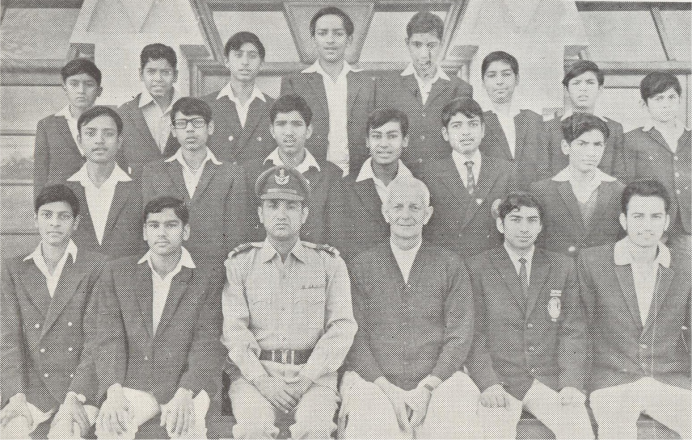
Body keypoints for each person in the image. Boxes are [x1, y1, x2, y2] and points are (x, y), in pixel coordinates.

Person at [341, 176, 481, 439]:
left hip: (439, 381)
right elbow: (354, 339)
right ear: (385, 212)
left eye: (415, 207)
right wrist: (387, 389)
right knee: (372, 421)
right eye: (398, 207)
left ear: (427, 214)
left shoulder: (450, 265)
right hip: (375, 381)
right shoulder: (361, 266)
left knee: (457, 416)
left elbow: (459, 335)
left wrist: (429, 387)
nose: (406, 215)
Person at [222, 166, 357, 440]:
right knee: (253, 429)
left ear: (304, 214)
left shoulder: (329, 263)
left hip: (314, 376)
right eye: (273, 205)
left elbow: (341, 328)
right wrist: (262, 380)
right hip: (255, 376)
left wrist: (306, 378)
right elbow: (234, 331)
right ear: (260, 214)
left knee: (315, 429)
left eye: (291, 206)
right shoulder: (240, 264)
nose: (281, 214)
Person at [93, 196, 225, 440]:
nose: (161, 233)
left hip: (187, 386)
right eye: (154, 225)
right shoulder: (118, 273)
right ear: (145, 232)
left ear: (185, 231)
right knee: (110, 427)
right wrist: (113, 390)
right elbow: (109, 338)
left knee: (186, 428)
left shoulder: (207, 276)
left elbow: (207, 343)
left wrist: (187, 391)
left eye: (171, 225)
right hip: (136, 384)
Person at [467, 192, 593, 440]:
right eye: (515, 220)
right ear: (500, 224)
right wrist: (488, 382)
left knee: (578, 429)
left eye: (532, 220)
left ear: (540, 225)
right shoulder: (477, 267)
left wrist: (570, 382)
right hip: (501, 383)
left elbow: (573, 331)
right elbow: (473, 334)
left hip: (547, 380)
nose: (524, 228)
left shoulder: (561, 266)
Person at [578, 180, 692, 440]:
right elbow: (578, 328)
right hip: (613, 380)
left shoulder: (685, 266)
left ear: (666, 221)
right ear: (623, 220)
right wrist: (576, 384)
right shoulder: (593, 261)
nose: (647, 225)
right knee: (616, 433)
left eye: (655, 217)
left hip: (668, 378)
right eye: (638, 216)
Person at [0, 184, 105, 439]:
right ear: (35, 219)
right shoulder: (13, 269)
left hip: (80, 387)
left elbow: (97, 339)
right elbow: (8, 340)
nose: (54, 223)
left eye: (63, 216)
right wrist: (16, 395)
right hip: (32, 388)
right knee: (11, 431)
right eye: (47, 215)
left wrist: (75, 395)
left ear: (76, 222)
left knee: (66, 433)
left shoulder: (96, 266)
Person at [141, 97, 247, 268]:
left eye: (197, 122)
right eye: (182, 123)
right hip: (169, 267)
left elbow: (236, 233)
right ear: (173, 130)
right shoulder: (154, 172)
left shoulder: (232, 173)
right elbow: (150, 227)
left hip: (217, 268)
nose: (189, 129)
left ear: (210, 127)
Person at [280, 6, 374, 176]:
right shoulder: (295, 83)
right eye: (323, 33)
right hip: (310, 174)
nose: (330, 40)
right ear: (313, 39)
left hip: (357, 175)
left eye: (338, 33)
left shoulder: (367, 83)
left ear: (349, 40)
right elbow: (286, 134)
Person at [376, 11, 473, 175]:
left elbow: (464, 142)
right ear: (407, 43)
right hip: (399, 179)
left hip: (445, 180)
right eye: (417, 44)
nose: (424, 55)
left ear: (442, 44)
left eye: (431, 45)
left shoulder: (460, 88)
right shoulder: (387, 87)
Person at [422, 97, 517, 260]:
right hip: (447, 264)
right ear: (445, 133)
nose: (465, 132)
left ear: (483, 130)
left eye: (472, 124)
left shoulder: (505, 170)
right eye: (457, 126)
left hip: (491, 264)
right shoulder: (429, 174)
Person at [244, 94, 342, 246]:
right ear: (272, 130)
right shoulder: (251, 172)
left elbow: (336, 235)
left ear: (308, 130)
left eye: (296, 124)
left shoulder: (331, 175)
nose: (289, 132)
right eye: (281, 124)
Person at [531, 113, 624, 257]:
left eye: (597, 145)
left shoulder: (619, 191)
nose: (591, 153)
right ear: (565, 147)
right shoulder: (541, 191)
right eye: (582, 144)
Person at [623, 72, 692, 263]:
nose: (666, 104)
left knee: (686, 275)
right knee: (651, 274)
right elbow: (625, 188)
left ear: (680, 99)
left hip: (687, 228)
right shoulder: (632, 140)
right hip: (649, 227)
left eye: (671, 97)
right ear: (644, 104)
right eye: (658, 98)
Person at [334, 108, 414, 261]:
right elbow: (340, 247)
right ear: (367, 141)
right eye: (377, 136)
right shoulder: (343, 189)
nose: (384, 144)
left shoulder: (418, 183)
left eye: (392, 136)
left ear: (405, 140)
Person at [66, 106, 143, 259]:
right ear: (79, 141)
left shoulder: (139, 189)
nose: (99, 140)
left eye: (108, 134)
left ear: (119, 141)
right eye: (91, 133)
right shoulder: (64, 189)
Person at [478, 51, 551, 189]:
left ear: (517, 79)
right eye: (492, 75)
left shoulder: (534, 120)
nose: (499, 81)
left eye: (506, 74)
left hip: (531, 198)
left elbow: (543, 169)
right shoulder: (477, 122)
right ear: (483, 82)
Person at [34, 58, 106, 196]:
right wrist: (40, 205)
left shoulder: (111, 123)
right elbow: (40, 175)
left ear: (99, 90)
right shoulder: (47, 125)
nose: (81, 91)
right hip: (60, 201)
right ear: (64, 88)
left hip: (100, 200)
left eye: (89, 84)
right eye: (74, 84)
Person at [202, 32, 275, 165]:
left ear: (261, 64)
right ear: (227, 62)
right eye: (238, 55)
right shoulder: (205, 105)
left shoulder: (273, 107)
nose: (245, 62)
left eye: (252, 56)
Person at [546, 60, 625, 178]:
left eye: (590, 82)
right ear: (566, 90)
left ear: (600, 89)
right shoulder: (549, 128)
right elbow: (543, 173)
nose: (583, 88)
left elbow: (619, 175)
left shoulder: (614, 128)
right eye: (576, 83)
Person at [118, 43, 181, 179]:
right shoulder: (124, 113)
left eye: (165, 72)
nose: (158, 79)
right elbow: (117, 164)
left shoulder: (191, 109)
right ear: (141, 74)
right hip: (139, 190)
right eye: (151, 72)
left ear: (175, 75)